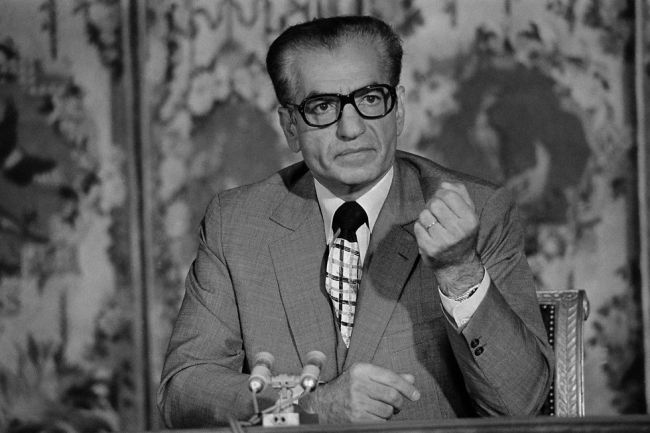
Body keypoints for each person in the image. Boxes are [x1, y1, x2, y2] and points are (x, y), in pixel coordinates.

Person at [157, 15, 554, 427]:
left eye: (370, 98)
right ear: (290, 126)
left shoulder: (478, 210)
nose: (351, 128)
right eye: (322, 107)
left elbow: (520, 407)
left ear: (397, 109)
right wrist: (310, 406)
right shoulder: (236, 224)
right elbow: (183, 393)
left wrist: (460, 270)